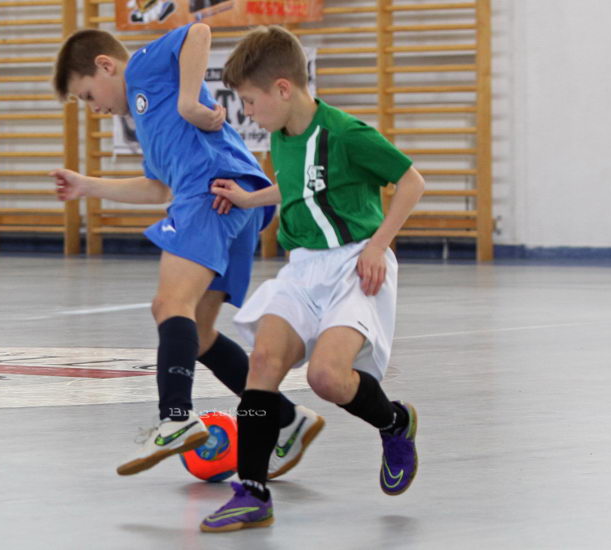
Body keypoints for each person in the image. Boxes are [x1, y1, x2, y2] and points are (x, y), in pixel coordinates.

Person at [49, 23, 324, 478]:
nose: (94, 108)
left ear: (105, 65)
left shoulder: (142, 68)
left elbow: (197, 31)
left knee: (169, 305)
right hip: (234, 201)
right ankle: (285, 419)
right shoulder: (146, 123)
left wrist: (189, 102)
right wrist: (87, 185)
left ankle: (175, 418)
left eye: (88, 95)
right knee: (198, 332)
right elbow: (159, 188)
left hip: (210, 192)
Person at [199, 26, 425, 532]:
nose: (246, 112)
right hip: (303, 267)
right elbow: (295, 185)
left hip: (355, 264)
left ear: (283, 88)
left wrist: (378, 245)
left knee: (327, 378)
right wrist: (249, 198)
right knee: (263, 362)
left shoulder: (345, 134)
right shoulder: (281, 137)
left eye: (250, 101)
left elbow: (411, 181)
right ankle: (252, 491)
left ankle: (395, 422)